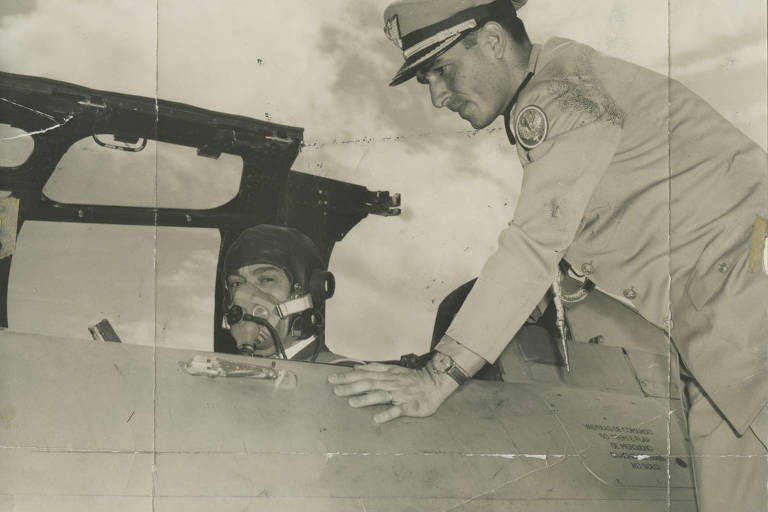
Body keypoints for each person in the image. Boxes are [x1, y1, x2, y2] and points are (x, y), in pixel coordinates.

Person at [327, 1, 768, 509]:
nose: (437, 97)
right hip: (721, 327)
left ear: (492, 41)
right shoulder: (566, 83)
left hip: (746, 304)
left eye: (441, 71)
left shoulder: (557, 96)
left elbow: (534, 242)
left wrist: (438, 375)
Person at [223, 224, 337, 362]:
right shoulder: (226, 376)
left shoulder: (341, 375)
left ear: (306, 292)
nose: (242, 295)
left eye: (267, 279)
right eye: (236, 284)